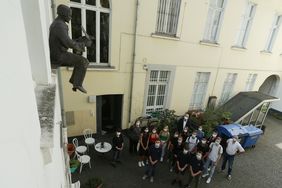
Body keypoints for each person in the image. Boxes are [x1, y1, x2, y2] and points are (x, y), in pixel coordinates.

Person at [49, 4, 92, 93]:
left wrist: (79, 41)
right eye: (69, 15)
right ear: (63, 14)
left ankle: (75, 81)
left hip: (57, 53)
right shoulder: (60, 26)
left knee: (80, 61)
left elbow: (64, 40)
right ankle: (77, 83)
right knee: (83, 61)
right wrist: (82, 44)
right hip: (58, 56)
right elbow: (68, 43)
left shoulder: (58, 23)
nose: (70, 17)